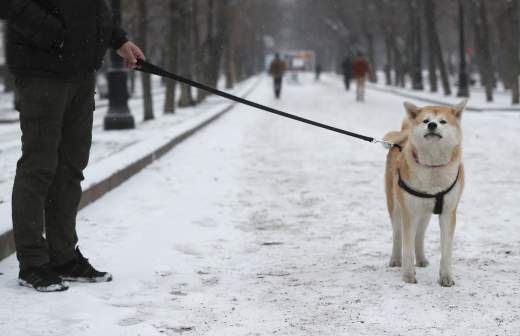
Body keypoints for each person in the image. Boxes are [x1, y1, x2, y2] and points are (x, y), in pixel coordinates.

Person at [2, 0, 145, 292]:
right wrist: (55, 34)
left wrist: (117, 39)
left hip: (80, 71)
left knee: (70, 168)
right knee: (39, 167)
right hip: (42, 70)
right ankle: (33, 263)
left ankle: (63, 257)